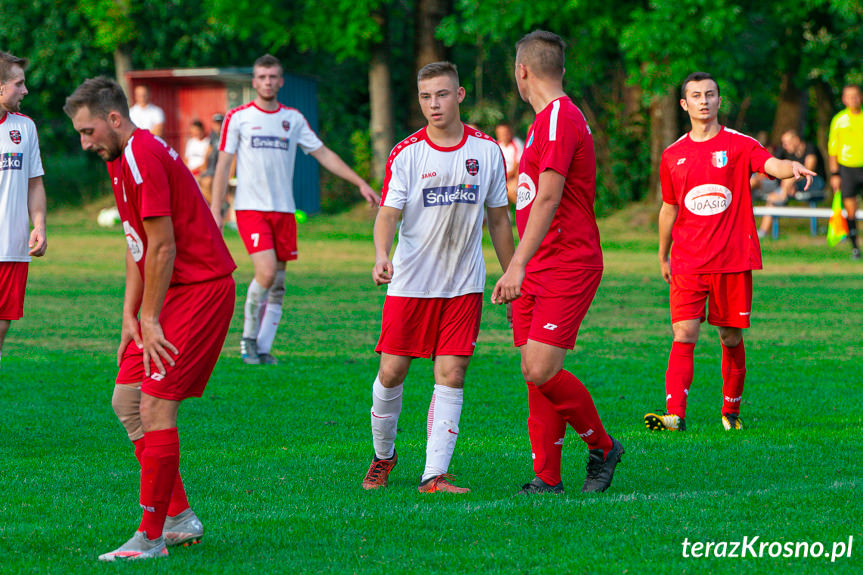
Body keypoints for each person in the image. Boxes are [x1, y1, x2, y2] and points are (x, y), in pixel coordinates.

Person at [65, 76, 237, 561]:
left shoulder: (141, 155)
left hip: (199, 291)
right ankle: (180, 518)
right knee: (126, 401)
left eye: (88, 131)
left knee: (156, 408)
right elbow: (136, 243)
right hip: (171, 294)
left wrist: (151, 316)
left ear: (114, 119)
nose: (85, 143)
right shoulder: (119, 157)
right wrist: (130, 317)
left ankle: (151, 537)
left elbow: (164, 245)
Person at [361, 62, 514, 494]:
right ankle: (383, 457)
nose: (434, 104)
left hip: (464, 284)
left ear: (460, 95)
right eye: (426, 96)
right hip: (410, 283)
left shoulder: (486, 151)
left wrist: (514, 272)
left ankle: (434, 475)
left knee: (452, 374)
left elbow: (499, 221)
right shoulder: (407, 153)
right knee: (391, 373)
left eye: (442, 95)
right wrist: (380, 255)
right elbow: (387, 213)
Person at [645, 71, 816, 433]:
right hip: (688, 261)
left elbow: (769, 164)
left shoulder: (738, 145)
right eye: (696, 95)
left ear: (720, 101)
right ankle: (674, 415)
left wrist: (791, 169)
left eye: (710, 94)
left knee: (730, 337)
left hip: (732, 260)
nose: (703, 101)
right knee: (683, 333)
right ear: (684, 104)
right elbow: (669, 208)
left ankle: (730, 411)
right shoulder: (673, 155)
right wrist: (663, 254)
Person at [491, 30, 624, 495]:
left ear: (521, 71)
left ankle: (604, 448)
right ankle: (547, 477)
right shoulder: (545, 121)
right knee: (534, 371)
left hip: (567, 262)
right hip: (542, 263)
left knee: (541, 368)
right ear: (560, 70)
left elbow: (547, 197)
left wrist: (516, 266)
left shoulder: (557, 119)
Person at [210, 54, 379, 366]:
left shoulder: (293, 119)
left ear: (281, 80)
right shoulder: (239, 118)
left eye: (273, 76)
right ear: (254, 81)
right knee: (266, 271)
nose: (267, 82)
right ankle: (247, 340)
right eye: (262, 77)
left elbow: (323, 153)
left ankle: (262, 349)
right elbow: (223, 166)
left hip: (284, 211)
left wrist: (359, 182)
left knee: (278, 284)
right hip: (251, 209)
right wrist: (215, 210)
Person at [0, 51, 47, 367]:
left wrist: (40, 225)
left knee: (3, 322)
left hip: (12, 246)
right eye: (19, 84)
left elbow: (35, 183)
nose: (25, 91)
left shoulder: (25, 127)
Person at [757, 129, 825, 238]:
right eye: (783, 143)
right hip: (792, 185)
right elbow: (773, 168)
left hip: (813, 182)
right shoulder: (784, 151)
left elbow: (808, 170)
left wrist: (789, 183)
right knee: (769, 193)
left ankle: (782, 196)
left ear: (796, 140)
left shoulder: (810, 148)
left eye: (787, 143)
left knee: (781, 188)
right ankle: (762, 232)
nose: (784, 146)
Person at [827, 84, 863, 259]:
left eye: (856, 96)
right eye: (849, 96)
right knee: (850, 209)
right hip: (848, 168)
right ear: (844, 99)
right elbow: (833, 150)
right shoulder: (839, 120)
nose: (853, 99)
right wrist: (835, 174)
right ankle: (855, 247)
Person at [495, 122, 523, 205]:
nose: (504, 136)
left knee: (509, 191)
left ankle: (523, 211)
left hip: (515, 178)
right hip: (503, 178)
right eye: (501, 134)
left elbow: (516, 167)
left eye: (506, 133)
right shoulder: (497, 145)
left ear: (511, 132)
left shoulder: (517, 144)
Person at [198, 113, 223, 204]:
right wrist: (204, 166)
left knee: (207, 183)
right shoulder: (213, 135)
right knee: (195, 181)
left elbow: (233, 157)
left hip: (219, 170)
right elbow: (208, 152)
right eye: (216, 123)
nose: (218, 126)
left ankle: (216, 207)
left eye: (220, 123)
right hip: (211, 169)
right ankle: (216, 207)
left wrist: (230, 175)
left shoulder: (227, 135)